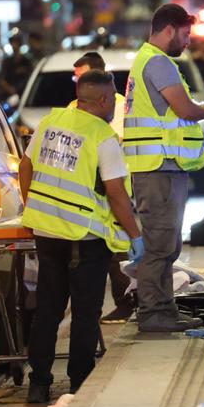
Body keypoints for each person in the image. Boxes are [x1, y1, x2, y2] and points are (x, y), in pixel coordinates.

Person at [20, 70, 144, 402]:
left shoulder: (50, 122)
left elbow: (25, 165)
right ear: (104, 100)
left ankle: (39, 383)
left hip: (47, 232)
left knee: (48, 308)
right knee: (86, 313)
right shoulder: (103, 136)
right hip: (84, 239)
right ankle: (79, 383)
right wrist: (135, 236)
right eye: (114, 97)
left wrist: (30, 205)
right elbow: (117, 194)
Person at [124, 3, 204, 333]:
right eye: (186, 33)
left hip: (160, 167)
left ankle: (164, 309)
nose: (189, 41)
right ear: (169, 29)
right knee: (161, 246)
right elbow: (184, 109)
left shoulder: (146, 60)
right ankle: (154, 314)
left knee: (166, 245)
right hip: (158, 168)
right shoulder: (158, 62)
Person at [68, 52, 135, 324]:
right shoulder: (74, 106)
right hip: (86, 190)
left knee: (119, 251)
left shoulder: (118, 106)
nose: (76, 79)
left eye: (79, 74)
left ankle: (128, 302)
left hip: (115, 184)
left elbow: (114, 141)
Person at [0, 35, 33, 99]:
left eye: (16, 42)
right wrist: (10, 89)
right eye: (12, 43)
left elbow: (31, 77)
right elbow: (2, 79)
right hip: (10, 95)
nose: (14, 45)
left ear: (20, 44)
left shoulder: (26, 61)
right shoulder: (7, 62)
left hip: (25, 94)